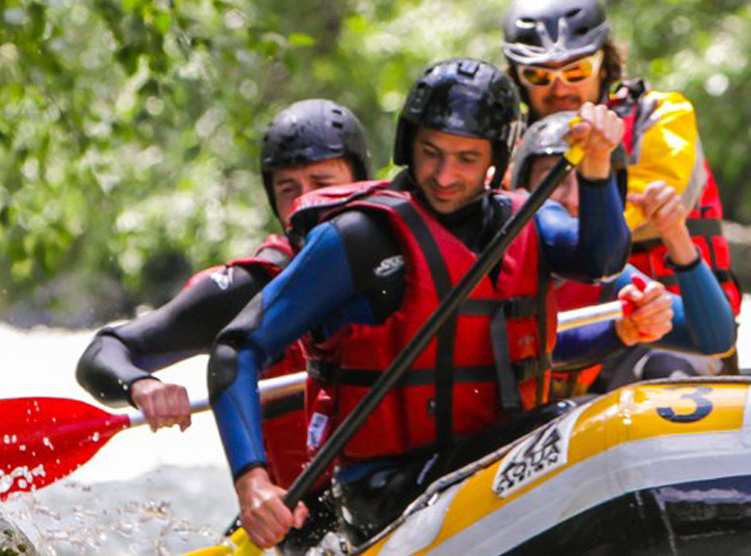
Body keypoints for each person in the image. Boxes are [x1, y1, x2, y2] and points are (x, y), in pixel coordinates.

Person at [206, 58, 632, 547]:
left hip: (499, 465)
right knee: (562, 429)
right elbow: (235, 351)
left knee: (578, 427)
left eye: (466, 159)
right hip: (386, 493)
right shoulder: (359, 238)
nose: (445, 175)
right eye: (431, 153)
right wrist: (252, 480)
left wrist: (597, 166)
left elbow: (602, 260)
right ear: (408, 144)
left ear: (497, 155)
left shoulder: (531, 219)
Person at [74, 99, 371, 550]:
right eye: (288, 189)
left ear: (361, 181)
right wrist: (141, 385)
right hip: (295, 520)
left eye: (322, 183)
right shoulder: (246, 287)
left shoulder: (403, 253)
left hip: (400, 492)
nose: (304, 202)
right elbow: (104, 351)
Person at [502, 0, 742, 372]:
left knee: (663, 368)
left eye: (576, 70)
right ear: (518, 79)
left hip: (669, 332)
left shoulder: (660, 117)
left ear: (604, 64)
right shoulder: (508, 148)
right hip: (566, 335)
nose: (560, 88)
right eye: (539, 77)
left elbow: (609, 221)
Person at [509, 112, 737, 396]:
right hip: (501, 428)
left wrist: (675, 233)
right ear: (521, 188)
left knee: (665, 367)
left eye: (588, 180)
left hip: (570, 422)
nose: (575, 200)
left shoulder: (610, 273)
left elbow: (716, 339)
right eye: (556, 180)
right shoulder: (498, 261)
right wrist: (616, 332)